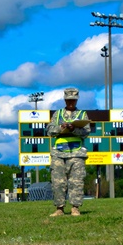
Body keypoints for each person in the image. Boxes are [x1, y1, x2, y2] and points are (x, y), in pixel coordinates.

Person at [46, 87, 90, 216]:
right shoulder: (58, 114)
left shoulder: (82, 114)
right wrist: (61, 127)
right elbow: (49, 130)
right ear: (65, 100)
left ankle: (75, 208)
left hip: (76, 153)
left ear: (77, 101)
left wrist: (73, 129)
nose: (71, 103)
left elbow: (86, 132)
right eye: (69, 100)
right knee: (58, 182)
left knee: (76, 182)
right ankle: (59, 208)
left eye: (73, 100)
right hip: (59, 154)